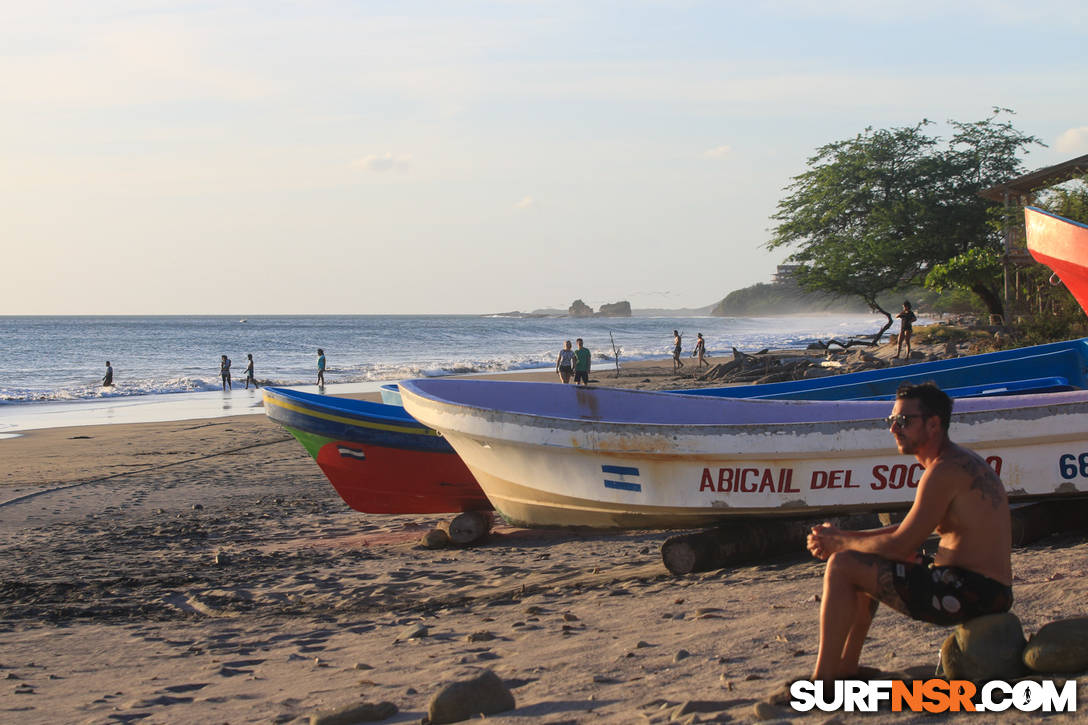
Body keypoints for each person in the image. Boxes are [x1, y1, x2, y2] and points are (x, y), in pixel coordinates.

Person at [806, 382, 1012, 681]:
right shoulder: (954, 462)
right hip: (983, 589)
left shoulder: (944, 470)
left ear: (933, 424)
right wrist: (840, 539)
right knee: (856, 558)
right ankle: (845, 670)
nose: (894, 429)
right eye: (891, 421)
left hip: (969, 591)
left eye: (904, 421)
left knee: (843, 565)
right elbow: (907, 530)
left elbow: (901, 543)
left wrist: (837, 544)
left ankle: (822, 682)